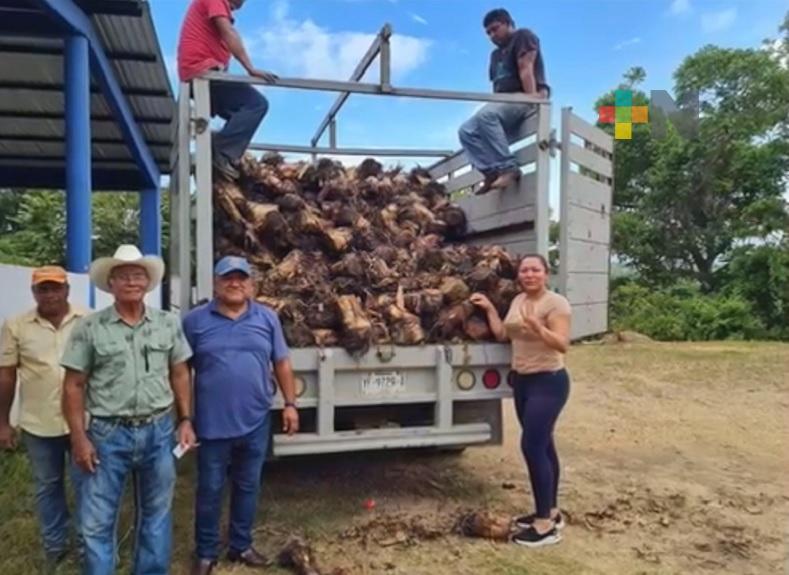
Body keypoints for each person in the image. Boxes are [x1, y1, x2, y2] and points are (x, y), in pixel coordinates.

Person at [61, 245, 196, 575]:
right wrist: (79, 439)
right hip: (108, 434)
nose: (132, 282)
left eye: (138, 275)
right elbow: (73, 386)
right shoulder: (89, 328)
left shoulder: (167, 324)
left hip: (159, 430)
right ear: (111, 284)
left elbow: (179, 372)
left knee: (156, 515)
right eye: (123, 276)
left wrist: (186, 420)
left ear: (148, 283)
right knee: (97, 521)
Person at [183, 256, 299, 575]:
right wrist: (185, 417)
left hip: (256, 419)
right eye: (227, 278)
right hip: (211, 422)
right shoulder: (194, 322)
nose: (235, 283)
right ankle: (206, 552)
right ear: (215, 283)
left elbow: (282, 363)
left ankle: (241, 545)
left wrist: (290, 404)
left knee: (248, 485)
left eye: (241, 278)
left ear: (251, 284)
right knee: (210, 488)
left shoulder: (267, 318)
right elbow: (180, 370)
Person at [470, 254, 571, 547]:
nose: (529, 274)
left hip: (549, 382)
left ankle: (544, 527)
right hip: (524, 381)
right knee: (545, 443)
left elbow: (563, 343)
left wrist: (539, 328)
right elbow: (503, 334)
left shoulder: (556, 304)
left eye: (535, 270)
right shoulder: (517, 302)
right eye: (524, 270)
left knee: (532, 445)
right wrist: (489, 308)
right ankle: (551, 511)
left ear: (546, 273)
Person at [0, 266, 88, 567]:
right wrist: (3, 423)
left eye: (55, 288)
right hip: (39, 423)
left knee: (87, 485)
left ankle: (88, 546)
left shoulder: (88, 320)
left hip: (84, 423)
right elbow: (7, 375)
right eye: (43, 289)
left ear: (67, 290)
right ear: (34, 292)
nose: (49, 294)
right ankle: (55, 547)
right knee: (48, 487)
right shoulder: (16, 325)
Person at [177, 0, 278, 180]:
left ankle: (220, 153)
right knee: (256, 104)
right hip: (202, 73)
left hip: (201, 74)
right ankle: (220, 153)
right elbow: (228, 32)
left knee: (240, 117)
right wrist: (250, 68)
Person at [459, 8, 550, 194]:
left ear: (508, 23)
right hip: (504, 101)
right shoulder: (494, 55)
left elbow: (526, 67)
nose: (492, 35)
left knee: (487, 115)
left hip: (525, 96)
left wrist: (532, 99)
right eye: (488, 33)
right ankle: (491, 172)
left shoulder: (523, 36)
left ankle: (509, 167)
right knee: (466, 131)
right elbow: (497, 87)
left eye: (495, 28)